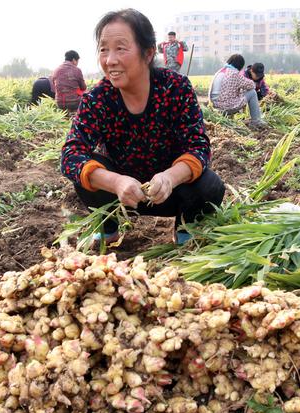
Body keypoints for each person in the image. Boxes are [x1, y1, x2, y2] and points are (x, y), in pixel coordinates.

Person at [61, 9, 225, 245]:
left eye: (120, 48)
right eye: (104, 49)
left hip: (171, 191)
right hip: (120, 195)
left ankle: (186, 229)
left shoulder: (175, 88)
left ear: (148, 53)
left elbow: (198, 146)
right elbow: (70, 155)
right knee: (85, 171)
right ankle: (108, 228)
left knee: (210, 185)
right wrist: (116, 182)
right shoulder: (98, 98)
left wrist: (170, 177)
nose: (110, 60)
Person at [209, 54, 265, 127]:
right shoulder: (233, 74)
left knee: (234, 92)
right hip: (225, 108)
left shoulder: (220, 71)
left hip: (214, 106)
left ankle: (230, 119)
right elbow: (252, 85)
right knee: (252, 92)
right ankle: (256, 121)